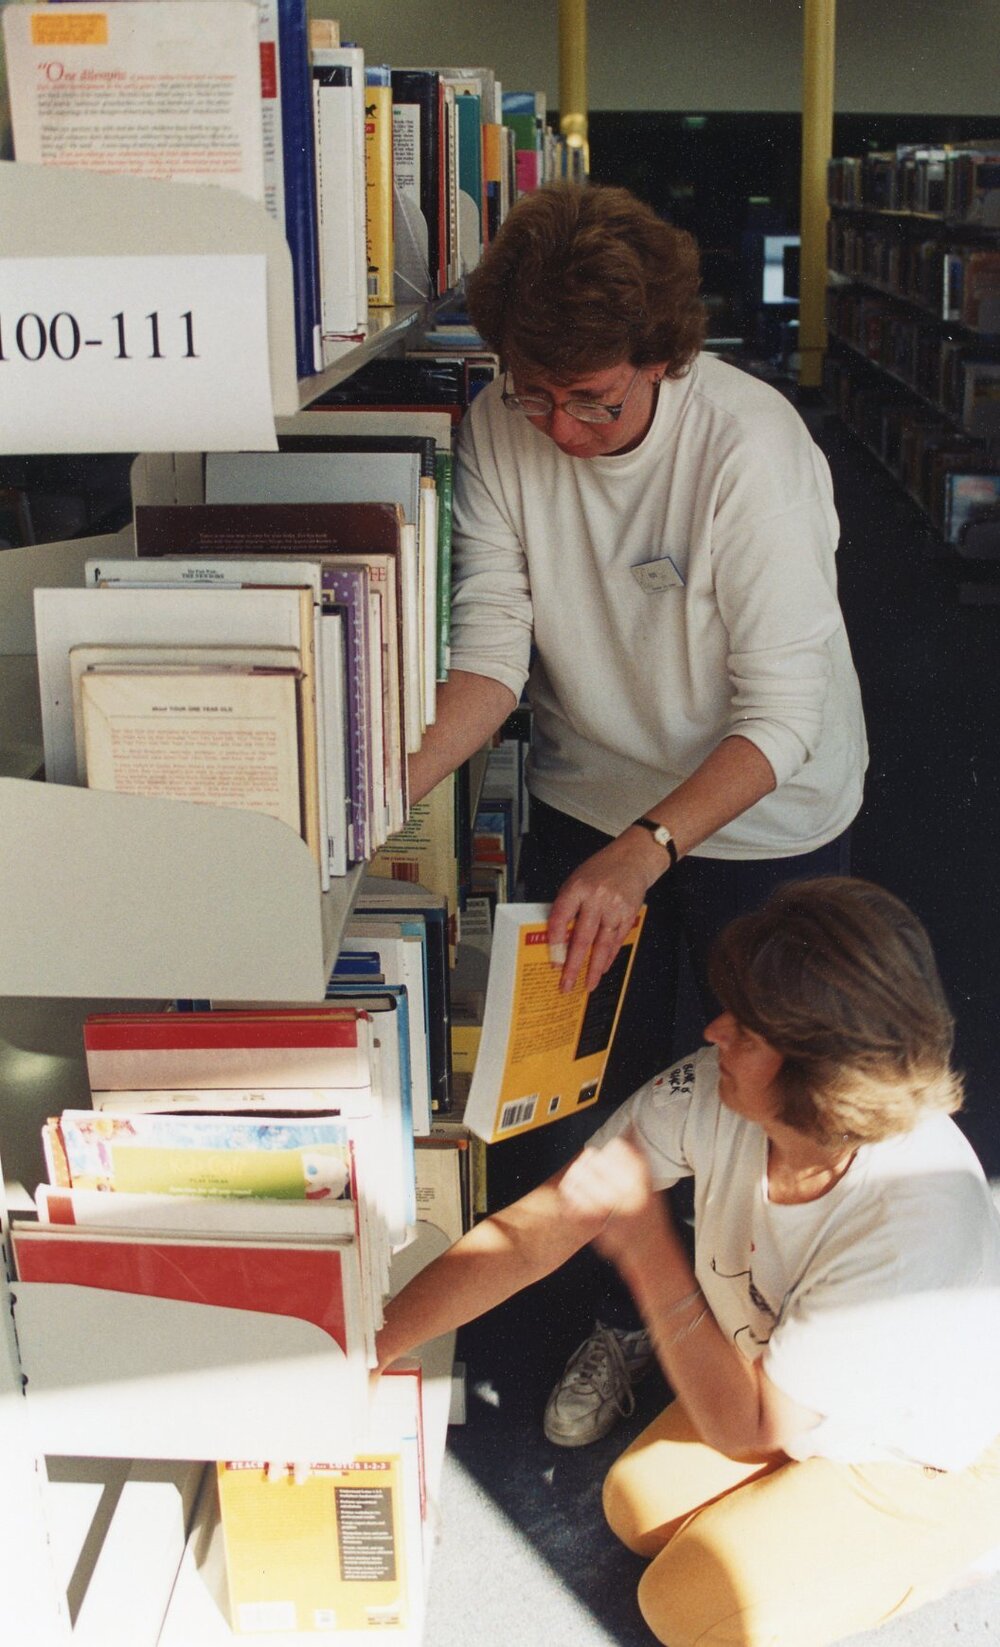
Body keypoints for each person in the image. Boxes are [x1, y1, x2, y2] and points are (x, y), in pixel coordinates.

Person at [410, 179, 868, 1443]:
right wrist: (380, 787)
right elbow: (492, 654)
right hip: (591, 795)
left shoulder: (751, 451)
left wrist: (651, 847)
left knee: (745, 1080)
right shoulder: (505, 423)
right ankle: (612, 1313)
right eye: (533, 395)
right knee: (586, 1074)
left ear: (666, 359)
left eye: (595, 403)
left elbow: (781, 716)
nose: (558, 428)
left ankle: (714, 1335)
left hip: (761, 810)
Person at [376, 878, 1000, 1647]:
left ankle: (962, 1535)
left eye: (748, 1031)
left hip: (920, 1450)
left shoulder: (912, 1227)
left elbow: (749, 1425)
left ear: (821, 1082)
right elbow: (537, 1232)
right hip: (790, 1381)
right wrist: (368, 1344)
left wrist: (645, 1245)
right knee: (636, 1505)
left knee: (683, 1604)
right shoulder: (716, 1094)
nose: (712, 1032)